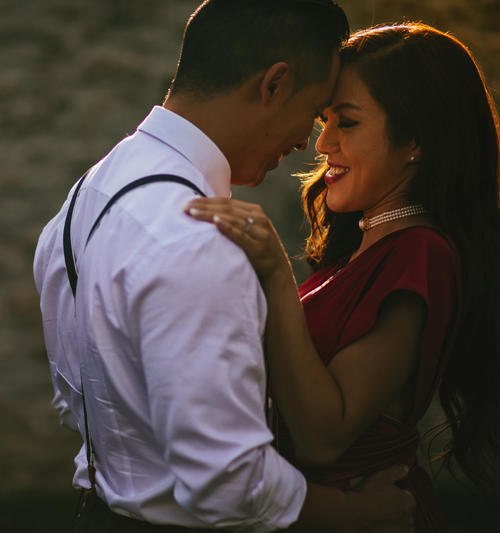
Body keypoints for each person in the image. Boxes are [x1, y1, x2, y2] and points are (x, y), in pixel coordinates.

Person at [35, 1, 416, 531]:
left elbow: (76, 396)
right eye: (314, 112)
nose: (309, 141)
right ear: (274, 85)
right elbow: (231, 483)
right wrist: (358, 514)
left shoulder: (87, 194)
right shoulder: (198, 240)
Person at [185, 22, 500, 531]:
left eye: (346, 123)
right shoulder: (362, 250)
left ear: (416, 139)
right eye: (322, 120)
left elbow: (324, 437)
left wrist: (274, 276)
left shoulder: (421, 254)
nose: (323, 143)